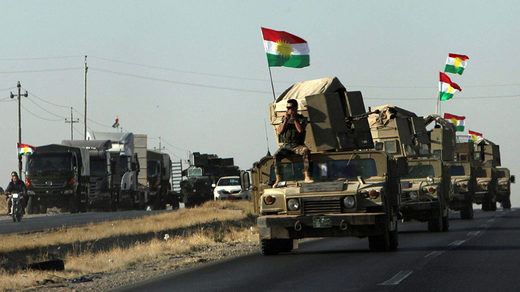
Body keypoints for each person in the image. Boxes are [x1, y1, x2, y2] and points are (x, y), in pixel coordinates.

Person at [273, 99, 313, 186]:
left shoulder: (302, 119)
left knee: (305, 151)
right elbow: (279, 131)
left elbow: (300, 130)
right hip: (286, 146)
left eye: (290, 107)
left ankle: (307, 176)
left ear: (296, 108)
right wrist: (285, 121)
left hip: (297, 145)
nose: (288, 109)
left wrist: (295, 119)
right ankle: (278, 178)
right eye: (287, 107)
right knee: (276, 155)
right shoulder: (283, 119)